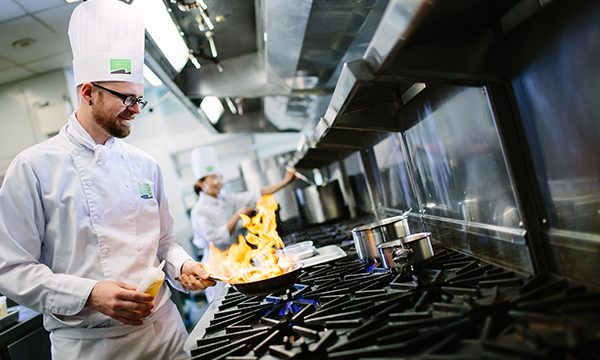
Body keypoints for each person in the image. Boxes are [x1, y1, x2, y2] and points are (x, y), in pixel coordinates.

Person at [0, 1, 214, 359]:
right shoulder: (33, 168)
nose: (135, 109)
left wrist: (183, 265)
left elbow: (163, 244)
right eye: (127, 99)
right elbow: (11, 268)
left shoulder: (145, 165)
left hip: (166, 335)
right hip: (92, 347)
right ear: (88, 93)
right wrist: (89, 294)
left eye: (140, 100)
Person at [189, 146, 296, 300]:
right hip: (217, 268)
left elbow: (257, 194)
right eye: (212, 178)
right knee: (226, 307)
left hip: (238, 260)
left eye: (219, 177)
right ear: (200, 184)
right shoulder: (199, 210)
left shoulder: (227, 200)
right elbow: (217, 240)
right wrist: (237, 215)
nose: (218, 182)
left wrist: (285, 182)